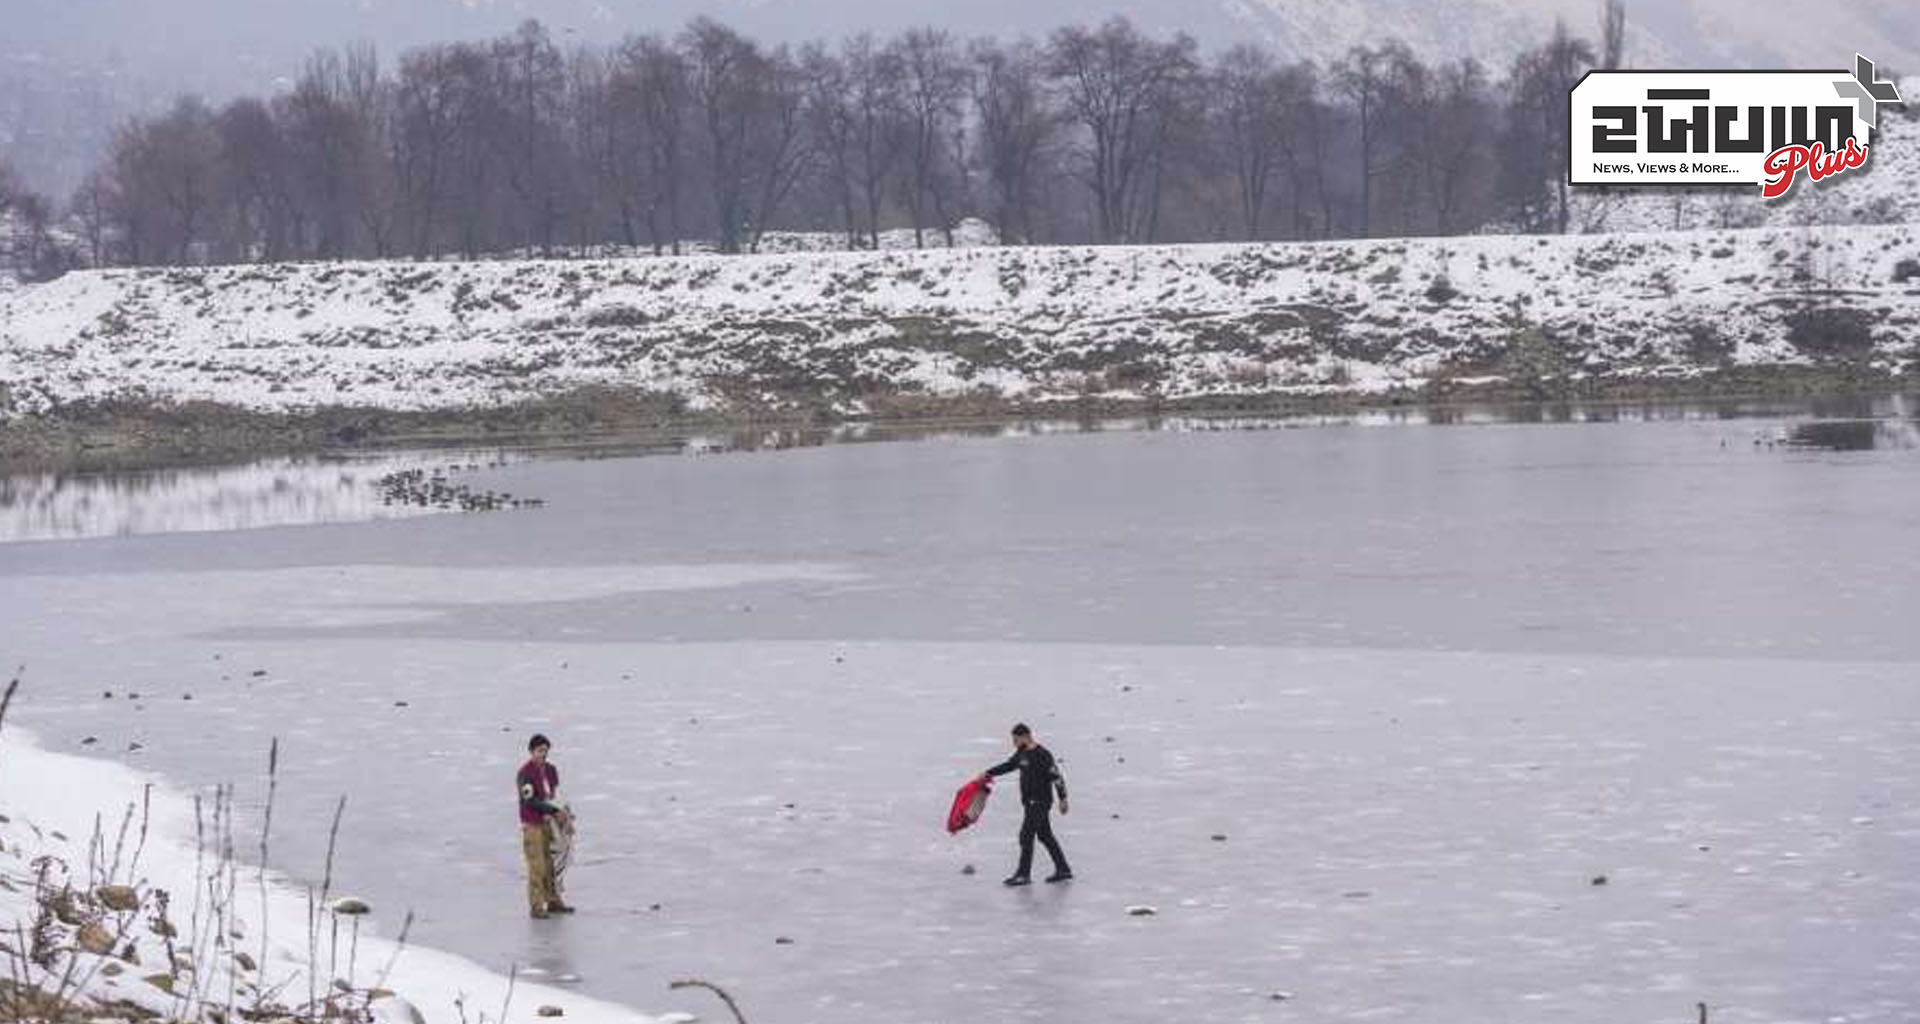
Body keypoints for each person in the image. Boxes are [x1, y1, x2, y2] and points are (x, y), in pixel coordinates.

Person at [979, 723, 1072, 886]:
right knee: (1044, 835)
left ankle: (1023, 874)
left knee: (1026, 835)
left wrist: (1063, 798)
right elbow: (1008, 765)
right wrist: (988, 773)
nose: (1014, 743)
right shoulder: (1021, 753)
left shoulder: (1042, 754)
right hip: (1029, 802)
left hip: (1041, 802)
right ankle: (1063, 869)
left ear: (1025, 736)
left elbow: (1056, 776)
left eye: (1015, 739)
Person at [517, 733, 575, 918]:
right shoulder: (525, 773)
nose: (543, 754)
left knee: (552, 864)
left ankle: (553, 900)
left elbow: (556, 795)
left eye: (545, 751)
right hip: (533, 824)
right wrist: (553, 811)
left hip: (549, 823)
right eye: (540, 751)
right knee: (537, 865)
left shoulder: (551, 770)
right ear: (531, 751)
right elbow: (530, 801)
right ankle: (536, 905)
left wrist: (565, 814)